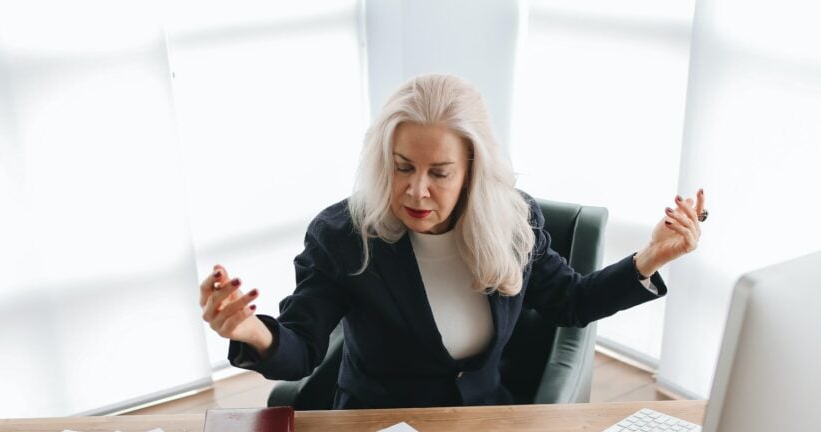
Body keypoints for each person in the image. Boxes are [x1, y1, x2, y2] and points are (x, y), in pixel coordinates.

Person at [199, 74, 707, 409]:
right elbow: (303, 349)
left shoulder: (513, 220)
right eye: (402, 167)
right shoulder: (343, 236)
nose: (416, 190)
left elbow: (571, 302)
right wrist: (251, 332)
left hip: (482, 427)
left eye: (439, 173)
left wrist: (649, 258)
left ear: (471, 172)